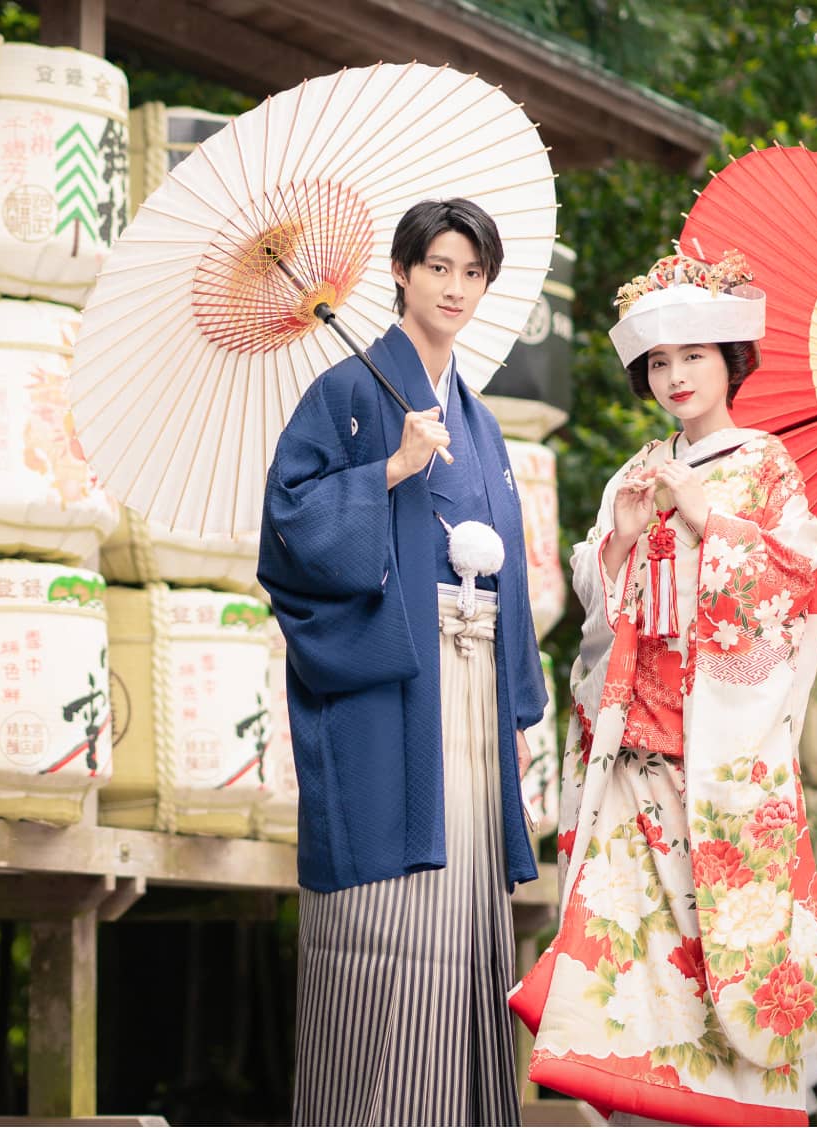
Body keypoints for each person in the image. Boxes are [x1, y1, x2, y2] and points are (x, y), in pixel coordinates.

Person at [508, 252, 817, 1126]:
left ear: (729, 362)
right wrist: (619, 543)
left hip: (718, 755)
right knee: (629, 948)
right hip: (635, 745)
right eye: (658, 363)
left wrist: (711, 518)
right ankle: (637, 1108)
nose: (674, 377)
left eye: (693, 357)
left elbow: (798, 576)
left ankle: (729, 1111)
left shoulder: (767, 467)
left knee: (713, 955)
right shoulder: (638, 471)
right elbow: (596, 604)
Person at [258, 197, 548, 1127]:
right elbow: (289, 530)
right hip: (391, 687)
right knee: (386, 916)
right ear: (401, 273)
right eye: (438, 267)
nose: (455, 287)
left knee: (463, 908)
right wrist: (385, 472)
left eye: (472, 272)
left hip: (468, 690)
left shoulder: (481, 420)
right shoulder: (348, 395)